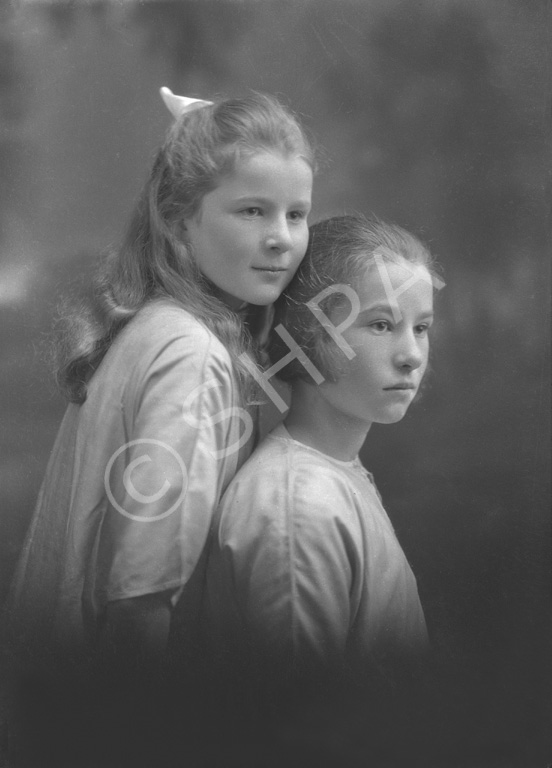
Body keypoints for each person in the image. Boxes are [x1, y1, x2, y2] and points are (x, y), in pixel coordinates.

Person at [4, 87, 314, 674]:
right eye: (252, 210)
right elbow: (143, 593)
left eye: (295, 214)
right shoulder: (190, 356)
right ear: (178, 223)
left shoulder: (155, 326)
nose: (281, 237)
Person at [204, 214, 440, 686]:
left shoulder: (333, 476)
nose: (411, 353)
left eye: (421, 327)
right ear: (308, 336)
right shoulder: (298, 508)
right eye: (380, 324)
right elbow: (301, 724)